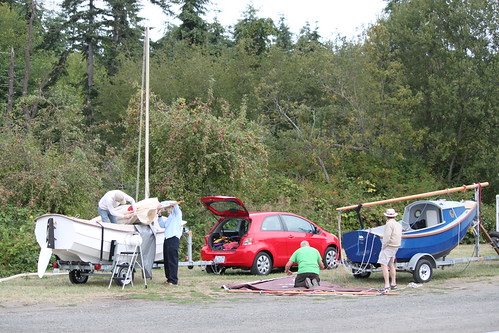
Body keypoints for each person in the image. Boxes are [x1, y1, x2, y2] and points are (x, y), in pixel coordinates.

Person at [157, 200, 183, 285]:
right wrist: (159, 215)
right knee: (167, 260)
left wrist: (162, 204)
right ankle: (169, 279)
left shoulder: (177, 214)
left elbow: (175, 202)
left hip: (173, 238)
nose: (167, 209)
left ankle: (173, 280)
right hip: (167, 238)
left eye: (168, 208)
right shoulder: (170, 217)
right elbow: (162, 225)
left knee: (172, 260)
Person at [378, 208, 403, 291]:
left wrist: (383, 246)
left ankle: (387, 284)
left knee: (383, 264)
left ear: (386, 216)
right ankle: (393, 283)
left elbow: (387, 237)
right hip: (396, 246)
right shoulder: (398, 224)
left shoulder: (389, 224)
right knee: (391, 264)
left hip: (389, 246)